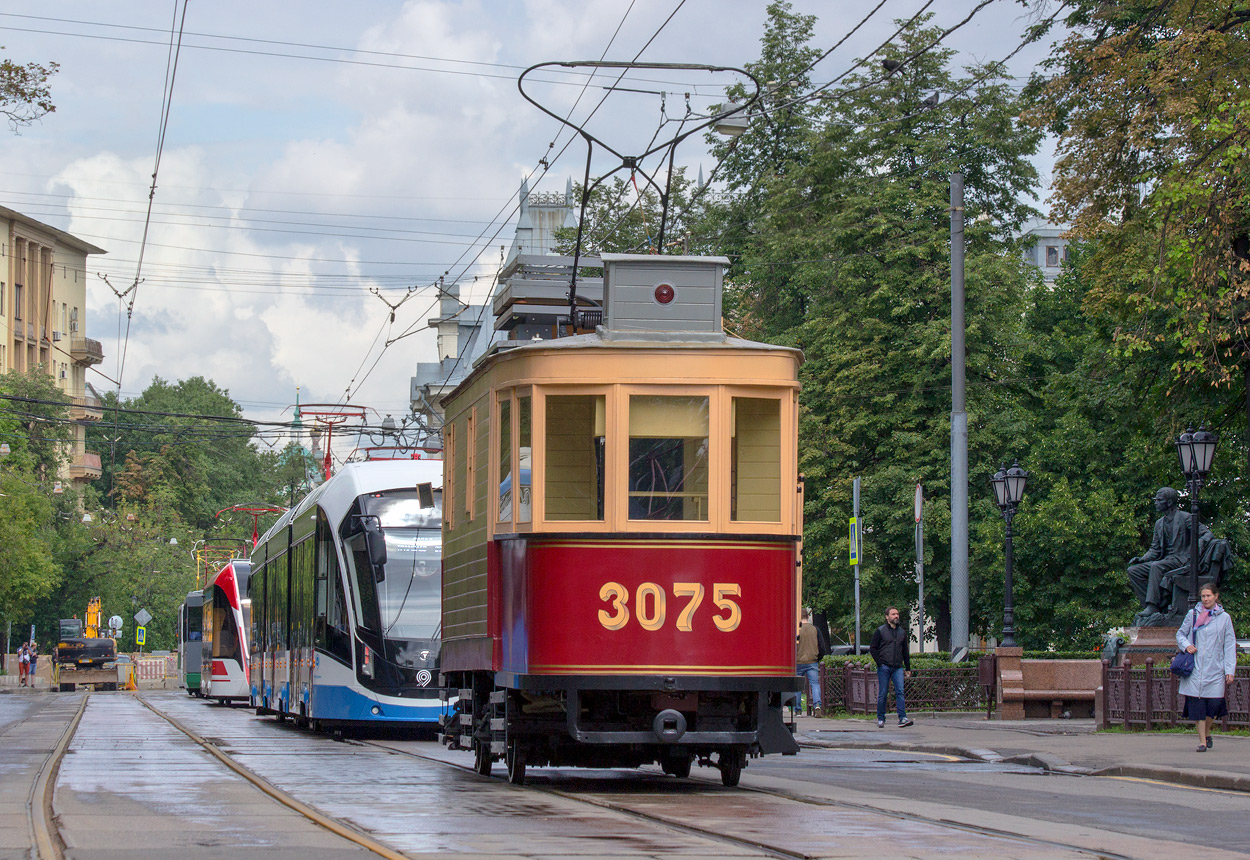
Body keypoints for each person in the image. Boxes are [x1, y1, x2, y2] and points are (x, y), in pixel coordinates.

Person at [1176, 582, 1237, 752]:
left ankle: (1207, 731)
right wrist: (1187, 645)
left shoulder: (1224, 618)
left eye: (1208, 595)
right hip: (1195, 669)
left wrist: (1229, 670)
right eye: (1203, 596)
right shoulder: (1193, 614)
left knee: (1215, 705)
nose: (1205, 599)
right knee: (1197, 707)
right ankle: (1202, 742)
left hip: (1215, 669)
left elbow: (1229, 644)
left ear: (1216, 596)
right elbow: (1180, 634)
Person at [1127, 487, 1196, 622]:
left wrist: (1191, 554)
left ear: (1169, 502)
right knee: (1133, 571)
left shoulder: (1185, 517)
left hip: (1181, 560)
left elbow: (1206, 535)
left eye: (1159, 500)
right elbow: (1155, 549)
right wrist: (1141, 559)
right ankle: (1153, 607)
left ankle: (1152, 605)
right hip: (1166, 561)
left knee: (1156, 566)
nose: (1156, 503)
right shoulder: (1159, 523)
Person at [869, 607, 913, 728]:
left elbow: (905, 651)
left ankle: (902, 717)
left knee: (900, 692)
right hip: (884, 666)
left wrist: (907, 668)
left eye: (897, 614)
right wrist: (880, 663)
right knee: (883, 693)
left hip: (898, 667)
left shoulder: (902, 632)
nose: (896, 616)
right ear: (887, 617)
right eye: (893, 614)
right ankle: (881, 718)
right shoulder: (880, 631)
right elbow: (873, 648)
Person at [796, 609, 822, 716]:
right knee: (815, 684)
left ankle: (798, 709)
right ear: (807, 616)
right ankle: (817, 705)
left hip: (798, 661)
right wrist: (817, 658)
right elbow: (822, 646)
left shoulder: (797, 630)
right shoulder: (815, 629)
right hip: (812, 661)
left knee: (797, 686)